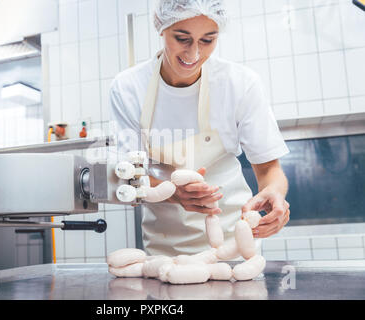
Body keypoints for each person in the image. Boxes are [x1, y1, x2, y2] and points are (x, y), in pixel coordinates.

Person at [110, 0, 290, 256]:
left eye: (207, 40)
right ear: (161, 27)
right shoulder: (128, 88)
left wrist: (274, 192)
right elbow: (130, 175)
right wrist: (173, 193)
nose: (193, 54)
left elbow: (269, 168)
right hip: (165, 249)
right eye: (182, 38)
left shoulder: (239, 84)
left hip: (235, 245)